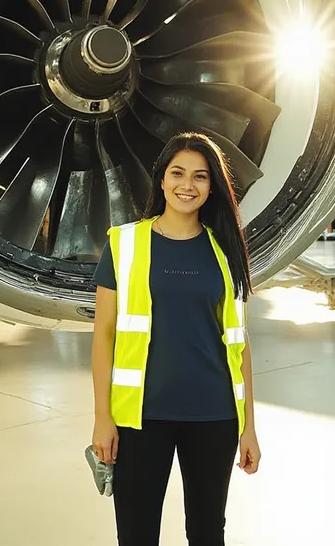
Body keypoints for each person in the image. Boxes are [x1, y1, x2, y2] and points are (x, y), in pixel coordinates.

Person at [91, 132, 261, 546]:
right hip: (141, 417)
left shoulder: (225, 251)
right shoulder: (125, 243)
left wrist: (249, 427)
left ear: (212, 186)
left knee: (207, 533)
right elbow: (104, 336)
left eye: (200, 177)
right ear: (162, 180)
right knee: (136, 534)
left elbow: (239, 344)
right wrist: (102, 417)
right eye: (178, 174)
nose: (188, 185)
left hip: (214, 417)